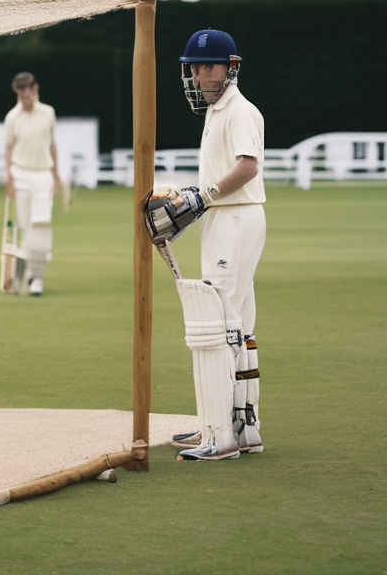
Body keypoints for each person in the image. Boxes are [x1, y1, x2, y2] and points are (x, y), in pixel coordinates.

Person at [164, 29, 266, 460]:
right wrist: (198, 197)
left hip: (235, 216)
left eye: (209, 66)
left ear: (231, 68)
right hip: (224, 216)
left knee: (218, 320)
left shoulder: (240, 110)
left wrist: (204, 196)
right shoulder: (216, 110)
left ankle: (219, 437)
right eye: (195, 68)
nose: (200, 75)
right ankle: (241, 429)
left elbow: (248, 167)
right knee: (239, 322)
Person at [2, 72, 61, 296]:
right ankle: (27, 271)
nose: (26, 98)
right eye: (21, 95)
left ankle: (37, 279)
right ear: (18, 93)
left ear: (35, 90)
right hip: (21, 175)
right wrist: (8, 177)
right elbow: (8, 148)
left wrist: (56, 174)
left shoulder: (48, 113)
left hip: (42, 175)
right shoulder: (12, 117)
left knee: (40, 227)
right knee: (26, 229)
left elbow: (52, 145)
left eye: (29, 93)